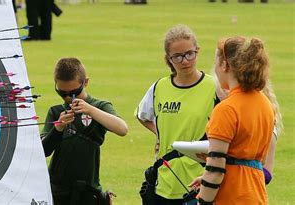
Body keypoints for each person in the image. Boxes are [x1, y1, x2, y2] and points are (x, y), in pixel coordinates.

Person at [136, 24, 219, 204]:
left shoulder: (215, 89)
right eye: (178, 56)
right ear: (168, 59)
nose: (185, 61)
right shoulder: (159, 87)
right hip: (164, 181)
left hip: (199, 182)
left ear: (198, 51)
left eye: (190, 54)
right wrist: (160, 134)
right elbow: (142, 115)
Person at [191, 36, 274, 205]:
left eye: (216, 62)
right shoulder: (265, 103)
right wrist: (206, 178)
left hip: (232, 197)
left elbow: (216, 169)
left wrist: (203, 200)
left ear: (225, 65)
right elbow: (252, 160)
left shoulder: (226, 109)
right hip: (256, 194)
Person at [40, 57, 128, 205]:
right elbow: (42, 151)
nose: (68, 98)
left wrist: (90, 110)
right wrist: (58, 128)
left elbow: (122, 128)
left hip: (88, 190)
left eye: (74, 92)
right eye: (62, 93)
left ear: (85, 82)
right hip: (56, 191)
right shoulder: (56, 112)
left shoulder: (99, 106)